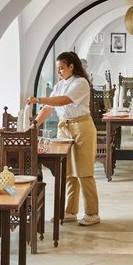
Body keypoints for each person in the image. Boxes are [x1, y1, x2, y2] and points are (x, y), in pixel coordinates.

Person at [27, 51, 100, 226]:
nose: (59, 72)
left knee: (84, 172)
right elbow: (48, 107)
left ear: (71, 67)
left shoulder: (81, 83)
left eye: (61, 68)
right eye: (58, 68)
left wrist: (38, 99)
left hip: (82, 127)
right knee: (67, 172)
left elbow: (64, 101)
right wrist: (33, 126)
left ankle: (92, 213)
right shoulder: (60, 85)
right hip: (64, 128)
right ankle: (70, 212)